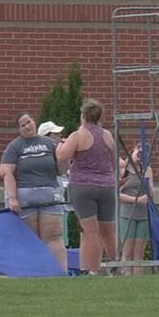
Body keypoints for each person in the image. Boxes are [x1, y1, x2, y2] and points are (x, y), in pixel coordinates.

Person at [57, 98, 117, 274]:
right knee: (108, 231)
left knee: (90, 231)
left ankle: (90, 270)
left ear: (83, 115)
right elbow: (114, 161)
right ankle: (117, 266)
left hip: (83, 186)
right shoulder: (107, 135)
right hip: (106, 186)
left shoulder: (78, 135)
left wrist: (60, 145)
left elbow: (62, 157)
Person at [0, 114, 67, 270]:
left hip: (50, 194)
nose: (27, 126)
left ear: (34, 122)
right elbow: (6, 172)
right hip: (25, 197)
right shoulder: (14, 146)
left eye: (28, 122)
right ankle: (31, 273)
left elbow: (62, 170)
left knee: (54, 235)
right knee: (29, 238)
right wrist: (12, 198)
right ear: (18, 129)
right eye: (23, 125)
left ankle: (59, 273)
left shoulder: (49, 143)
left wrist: (64, 155)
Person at [118, 144, 155, 276]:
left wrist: (147, 180)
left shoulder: (147, 170)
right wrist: (136, 200)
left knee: (139, 252)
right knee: (127, 251)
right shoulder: (124, 170)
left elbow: (152, 193)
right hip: (127, 213)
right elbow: (116, 194)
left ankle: (138, 279)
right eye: (138, 153)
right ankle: (126, 276)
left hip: (143, 214)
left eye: (143, 155)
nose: (139, 156)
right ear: (133, 151)